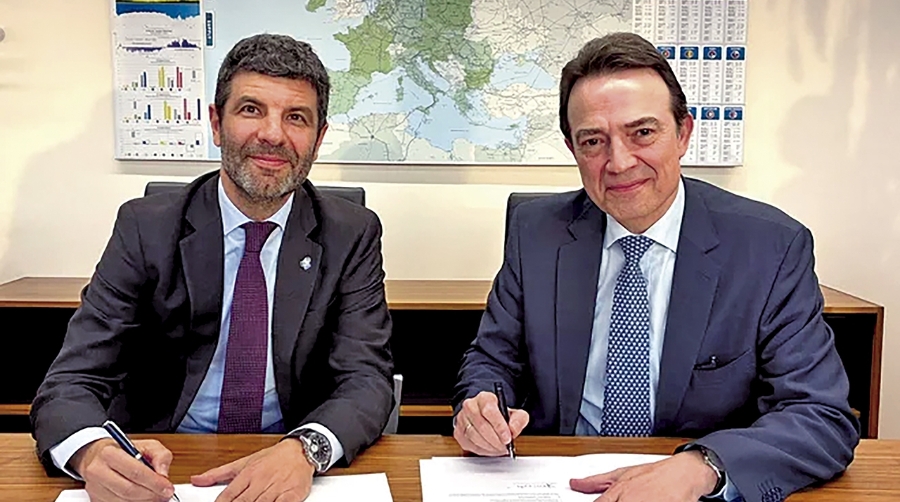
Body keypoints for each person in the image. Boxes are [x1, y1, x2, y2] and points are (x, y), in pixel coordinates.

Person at [453, 32, 859, 502]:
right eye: (593, 141)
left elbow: (819, 416)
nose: (620, 162)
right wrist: (481, 406)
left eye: (642, 133)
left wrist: (703, 466)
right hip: (560, 485)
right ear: (573, 150)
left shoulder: (769, 248)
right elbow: (492, 360)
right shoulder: (536, 233)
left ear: (683, 133)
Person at [31, 33, 394, 502]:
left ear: (318, 139)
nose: (273, 134)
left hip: (288, 460)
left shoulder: (351, 233)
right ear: (216, 124)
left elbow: (366, 380)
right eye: (250, 110)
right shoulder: (146, 227)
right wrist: (92, 452)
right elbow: (73, 378)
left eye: (296, 117)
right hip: (163, 459)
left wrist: (306, 449)